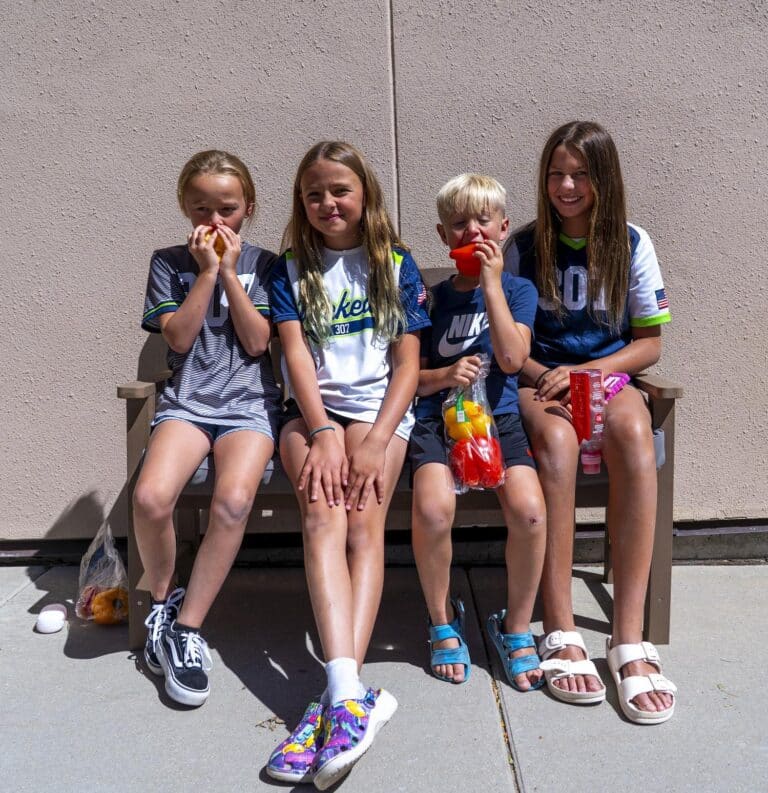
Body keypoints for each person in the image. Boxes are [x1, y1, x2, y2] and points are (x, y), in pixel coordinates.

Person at [265, 141, 430, 789]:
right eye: (313, 193)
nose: (327, 202)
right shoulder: (291, 266)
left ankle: (337, 698)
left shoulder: (394, 262)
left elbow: (409, 365)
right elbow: (296, 359)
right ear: (300, 203)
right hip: (313, 413)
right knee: (320, 516)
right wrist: (324, 428)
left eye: (339, 189)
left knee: (364, 523)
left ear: (365, 193)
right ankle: (349, 695)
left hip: (383, 412)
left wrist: (375, 436)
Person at [505, 120, 677, 724]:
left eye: (579, 173)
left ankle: (627, 640)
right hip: (538, 378)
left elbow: (648, 343)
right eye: (556, 173)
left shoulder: (632, 243)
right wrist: (542, 370)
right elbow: (508, 345)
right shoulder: (523, 247)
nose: (567, 185)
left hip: (605, 375)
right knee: (555, 439)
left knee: (634, 433)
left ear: (603, 178)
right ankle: (560, 624)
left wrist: (595, 373)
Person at [134, 150, 280, 707]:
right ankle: (165, 606)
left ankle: (188, 630)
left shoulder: (268, 264)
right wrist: (210, 271)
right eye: (201, 208)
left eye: (228, 208)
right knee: (150, 498)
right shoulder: (169, 261)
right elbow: (178, 338)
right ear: (184, 208)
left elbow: (258, 342)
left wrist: (233, 275)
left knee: (232, 502)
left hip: (250, 406)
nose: (216, 221)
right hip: (189, 401)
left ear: (248, 207)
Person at [410, 174, 546, 691]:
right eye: (460, 223)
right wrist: (446, 377)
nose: (473, 231)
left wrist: (491, 283)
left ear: (503, 227)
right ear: (444, 235)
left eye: (483, 220)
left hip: (500, 421)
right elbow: (409, 379)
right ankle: (443, 620)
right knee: (432, 508)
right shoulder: (429, 299)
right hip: (436, 424)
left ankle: (514, 627)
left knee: (531, 512)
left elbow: (513, 358)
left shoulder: (517, 289)